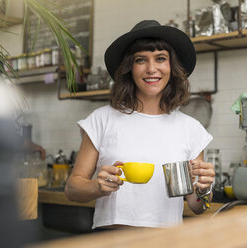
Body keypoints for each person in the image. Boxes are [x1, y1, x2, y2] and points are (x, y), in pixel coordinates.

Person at [65, 20, 215, 230]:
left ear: (172, 67)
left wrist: (203, 189)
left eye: (161, 59)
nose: (151, 69)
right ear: (129, 68)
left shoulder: (191, 129)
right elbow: (72, 188)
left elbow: (197, 206)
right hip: (113, 241)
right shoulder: (102, 120)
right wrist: (97, 187)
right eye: (141, 60)